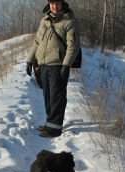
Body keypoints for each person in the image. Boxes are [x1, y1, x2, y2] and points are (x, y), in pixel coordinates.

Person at [26, 1, 80, 138]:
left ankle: (55, 128)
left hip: (58, 65)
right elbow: (37, 42)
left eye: (57, 4)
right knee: (48, 96)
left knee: (57, 96)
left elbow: (73, 46)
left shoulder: (69, 21)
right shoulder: (45, 20)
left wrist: (66, 65)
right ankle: (50, 122)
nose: (54, 7)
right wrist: (30, 59)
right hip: (44, 64)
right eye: (52, 4)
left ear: (62, 4)